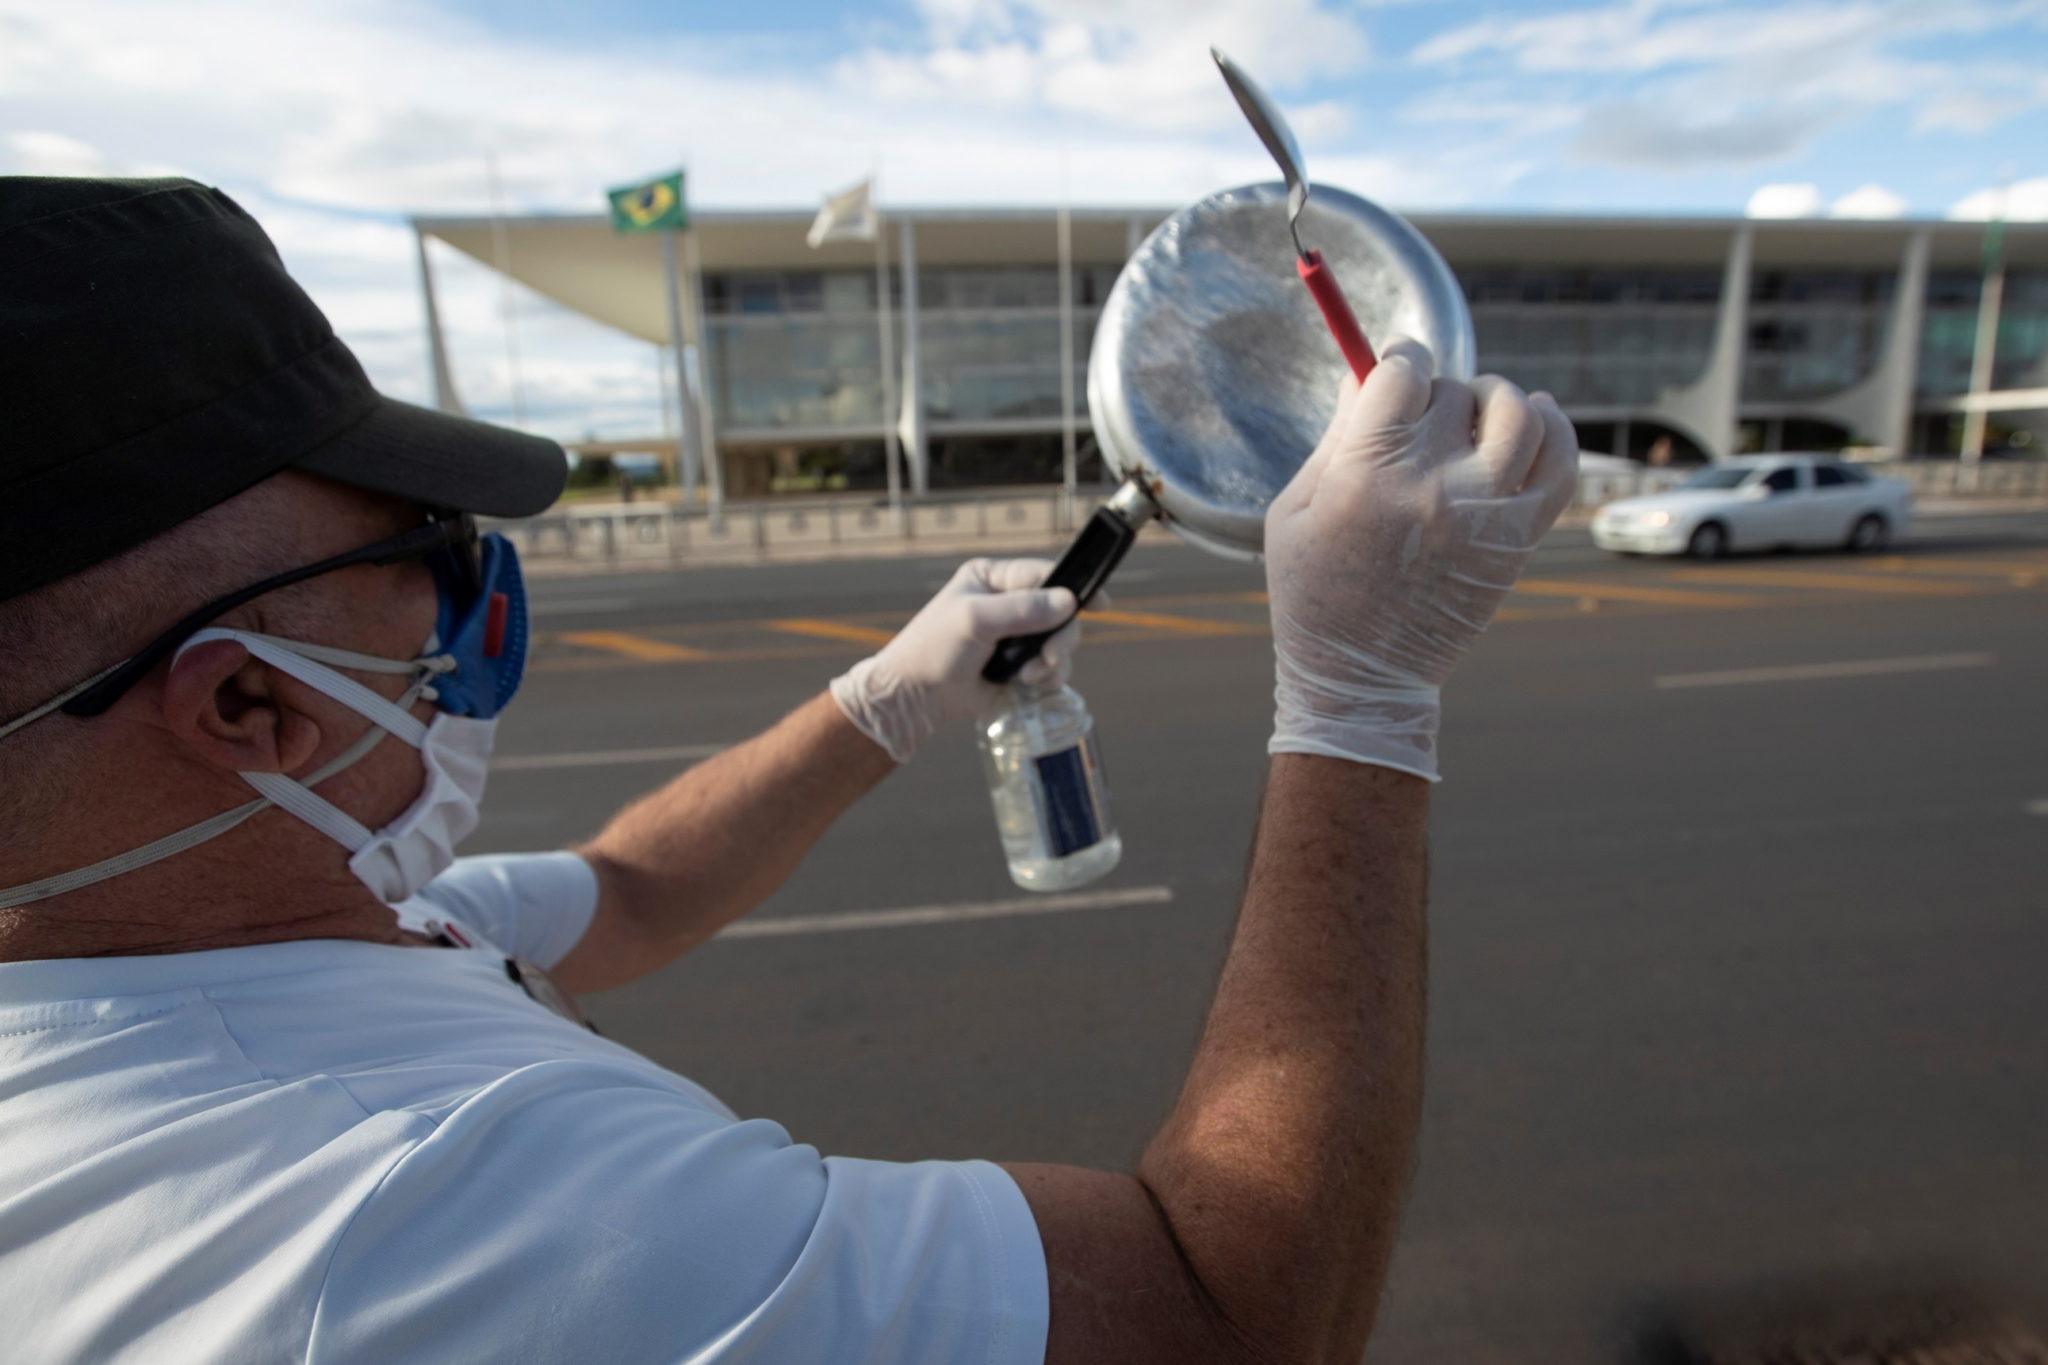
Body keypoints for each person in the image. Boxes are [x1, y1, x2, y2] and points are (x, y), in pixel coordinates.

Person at [0, 176, 1577, 1364]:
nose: (467, 581)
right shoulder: (422, 1207)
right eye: (427, 546)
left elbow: (618, 896)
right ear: (255, 711)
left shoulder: (198, 948)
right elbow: (1227, 1312)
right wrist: (1362, 700)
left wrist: (880, 703)